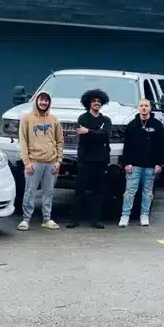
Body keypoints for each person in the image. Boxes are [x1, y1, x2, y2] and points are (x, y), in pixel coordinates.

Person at [16, 90, 64, 231]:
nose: (43, 102)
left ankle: (47, 219)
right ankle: (26, 219)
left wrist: (58, 161)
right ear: (36, 101)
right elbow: (23, 141)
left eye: (46, 100)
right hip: (34, 162)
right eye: (41, 99)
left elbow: (60, 141)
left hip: (51, 162)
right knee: (30, 191)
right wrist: (27, 162)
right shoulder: (26, 118)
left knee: (48, 192)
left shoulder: (54, 119)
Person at [67, 89, 111, 229]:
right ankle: (74, 220)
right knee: (79, 190)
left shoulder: (106, 120)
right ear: (89, 103)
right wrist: (97, 133)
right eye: (94, 101)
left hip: (101, 160)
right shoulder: (82, 118)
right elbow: (87, 136)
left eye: (99, 101)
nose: (96, 103)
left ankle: (95, 220)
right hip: (85, 160)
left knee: (98, 192)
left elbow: (104, 135)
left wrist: (90, 132)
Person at [119, 98, 164, 228]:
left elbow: (161, 146)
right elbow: (127, 146)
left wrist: (159, 163)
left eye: (146, 106)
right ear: (138, 108)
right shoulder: (132, 125)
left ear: (150, 108)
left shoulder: (157, 125)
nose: (144, 108)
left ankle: (144, 215)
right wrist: (126, 163)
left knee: (148, 192)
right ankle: (125, 215)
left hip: (151, 166)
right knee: (129, 191)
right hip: (134, 165)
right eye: (142, 106)